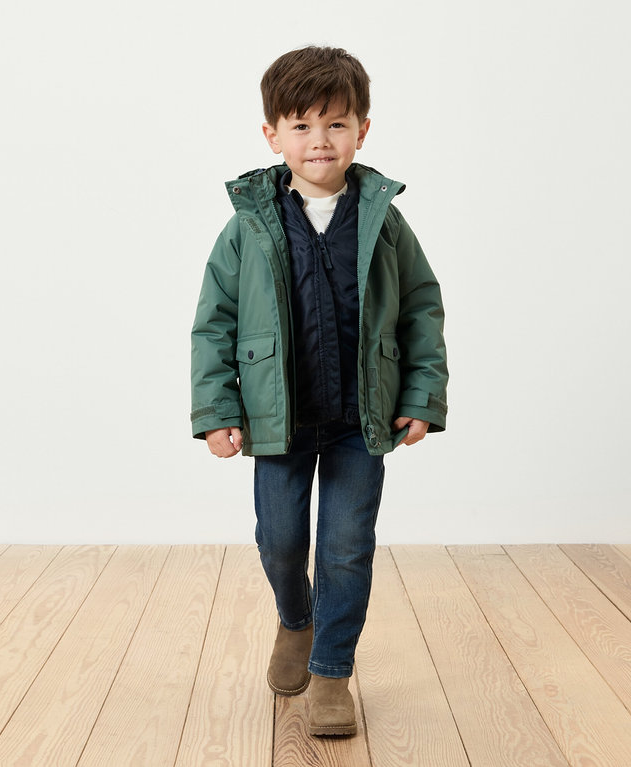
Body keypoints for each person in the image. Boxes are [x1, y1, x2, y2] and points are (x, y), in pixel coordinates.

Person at [190, 45, 448, 737]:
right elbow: (213, 322)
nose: (319, 141)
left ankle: (332, 672)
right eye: (301, 126)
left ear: (362, 130)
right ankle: (295, 621)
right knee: (279, 541)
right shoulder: (249, 226)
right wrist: (217, 409)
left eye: (336, 124)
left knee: (344, 545)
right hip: (277, 421)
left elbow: (422, 306)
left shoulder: (383, 222)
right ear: (271, 134)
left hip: (359, 423)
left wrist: (422, 394)